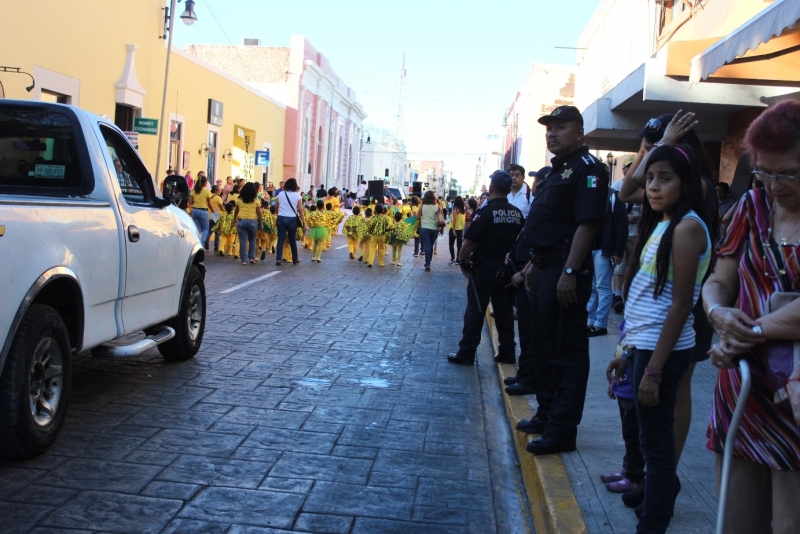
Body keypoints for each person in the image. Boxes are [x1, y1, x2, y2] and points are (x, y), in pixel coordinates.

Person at [702, 100, 800, 534]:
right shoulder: (750, 207)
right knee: (736, 517)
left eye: (789, 174)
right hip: (742, 383)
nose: (775, 185)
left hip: (795, 394)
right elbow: (717, 281)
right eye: (765, 172)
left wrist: (750, 330)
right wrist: (719, 314)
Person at [618, 111, 719, 512]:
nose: (654, 185)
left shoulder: (696, 194)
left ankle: (663, 478)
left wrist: (662, 148)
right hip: (653, 309)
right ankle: (658, 479)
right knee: (653, 409)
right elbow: (628, 190)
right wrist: (649, 147)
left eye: (664, 174)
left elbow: (682, 302)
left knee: (670, 394)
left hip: (681, 308)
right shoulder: (663, 191)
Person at [515, 106, 609, 456]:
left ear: (580, 133)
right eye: (549, 128)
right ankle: (546, 413)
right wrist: (530, 267)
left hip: (564, 272)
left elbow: (586, 225)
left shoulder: (588, 171)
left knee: (565, 352)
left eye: (561, 127)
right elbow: (544, 225)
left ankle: (562, 430)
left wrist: (569, 272)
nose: (552, 133)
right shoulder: (555, 172)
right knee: (542, 348)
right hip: (541, 270)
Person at [447, 170, 523, 365]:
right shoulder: (517, 213)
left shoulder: (486, 211)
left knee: (476, 310)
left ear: (490, 189)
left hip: (484, 268)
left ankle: (467, 352)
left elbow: (470, 241)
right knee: (504, 312)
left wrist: (462, 260)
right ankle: (507, 351)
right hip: (506, 268)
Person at [506, 167, 551, 396]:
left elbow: (541, 247)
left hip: (529, 274)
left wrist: (524, 272)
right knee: (524, 329)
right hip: (522, 269)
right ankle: (525, 373)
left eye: (538, 181)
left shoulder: (542, 206)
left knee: (531, 332)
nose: (536, 185)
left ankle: (530, 378)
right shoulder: (536, 204)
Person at [586, 187, 628, 336]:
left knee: (602, 287)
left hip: (605, 249)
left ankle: (600, 324)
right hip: (591, 248)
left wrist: (618, 251)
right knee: (592, 287)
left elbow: (623, 225)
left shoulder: (614, 196)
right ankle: (590, 321)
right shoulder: (590, 194)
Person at [612, 157, 638, 314]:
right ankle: (617, 296)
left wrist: (639, 217)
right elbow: (610, 212)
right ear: (623, 170)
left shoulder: (642, 187)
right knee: (618, 266)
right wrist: (624, 217)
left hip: (637, 234)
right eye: (629, 167)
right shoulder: (615, 187)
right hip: (620, 234)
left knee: (632, 267)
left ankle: (629, 296)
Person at [274, 178, 305, 266]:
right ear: (295, 186)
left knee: (280, 239)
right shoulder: (297, 196)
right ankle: (295, 258)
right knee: (292, 239)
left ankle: (278, 259)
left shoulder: (280, 194)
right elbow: (300, 210)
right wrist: (304, 222)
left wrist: (278, 214)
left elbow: (276, 207)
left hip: (281, 218)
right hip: (292, 219)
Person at [233, 182, 263, 265]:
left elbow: (236, 210)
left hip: (241, 220)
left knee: (242, 240)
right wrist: (261, 223)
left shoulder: (239, 199)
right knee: (252, 239)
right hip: (252, 221)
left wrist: (234, 220)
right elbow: (259, 213)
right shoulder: (256, 199)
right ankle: (251, 257)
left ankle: (244, 260)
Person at [417, 191, 444, 272]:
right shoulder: (437, 206)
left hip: (424, 228)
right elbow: (441, 218)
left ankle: (427, 263)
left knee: (427, 245)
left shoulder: (422, 206)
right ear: (433, 197)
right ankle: (429, 261)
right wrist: (441, 229)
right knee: (431, 245)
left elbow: (418, 217)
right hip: (435, 228)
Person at [188, 174, 213, 247]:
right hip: (203, 211)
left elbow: (189, 201)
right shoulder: (207, 191)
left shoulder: (193, 191)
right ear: (205, 183)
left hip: (195, 210)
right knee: (205, 229)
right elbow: (209, 203)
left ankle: (196, 243)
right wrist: (213, 210)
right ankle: (201, 243)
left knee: (197, 228)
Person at [448, 196, 466, 265]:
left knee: (451, 244)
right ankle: (458, 259)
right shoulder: (463, 210)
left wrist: (453, 229)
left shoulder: (455, 209)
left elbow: (455, 219)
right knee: (459, 245)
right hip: (461, 229)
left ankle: (452, 258)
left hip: (454, 229)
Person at [208, 184, 224, 252]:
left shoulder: (209, 196)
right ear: (215, 190)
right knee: (217, 231)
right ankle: (216, 246)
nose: (220, 191)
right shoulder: (218, 198)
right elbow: (221, 207)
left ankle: (206, 240)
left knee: (209, 230)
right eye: (219, 190)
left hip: (209, 215)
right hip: (216, 215)